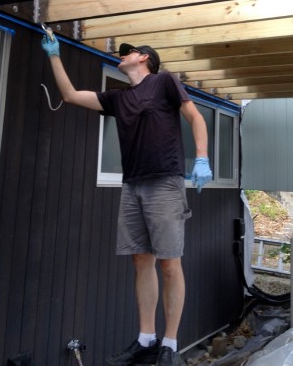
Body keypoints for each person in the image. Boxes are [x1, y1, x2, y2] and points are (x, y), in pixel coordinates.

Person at [41, 34, 212, 366]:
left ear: (144, 58)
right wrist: (54, 55)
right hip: (133, 185)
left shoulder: (164, 82)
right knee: (140, 260)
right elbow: (70, 95)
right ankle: (146, 338)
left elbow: (195, 117)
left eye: (128, 53)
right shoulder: (119, 99)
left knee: (170, 264)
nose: (121, 56)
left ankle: (170, 345)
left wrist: (202, 158)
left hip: (165, 181)